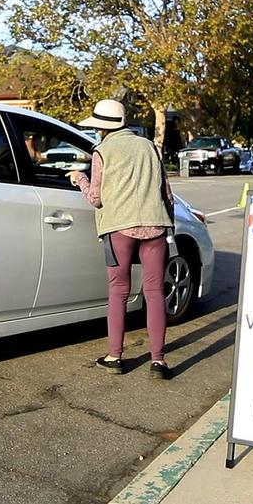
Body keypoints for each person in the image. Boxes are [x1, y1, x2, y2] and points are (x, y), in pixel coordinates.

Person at [67, 99, 175, 380]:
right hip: (156, 225)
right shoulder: (150, 146)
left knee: (118, 291)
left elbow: (96, 198)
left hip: (119, 227)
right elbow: (167, 193)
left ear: (101, 128)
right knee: (154, 292)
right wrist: (169, 226)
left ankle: (115, 356)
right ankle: (158, 360)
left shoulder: (102, 151)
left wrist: (79, 179)